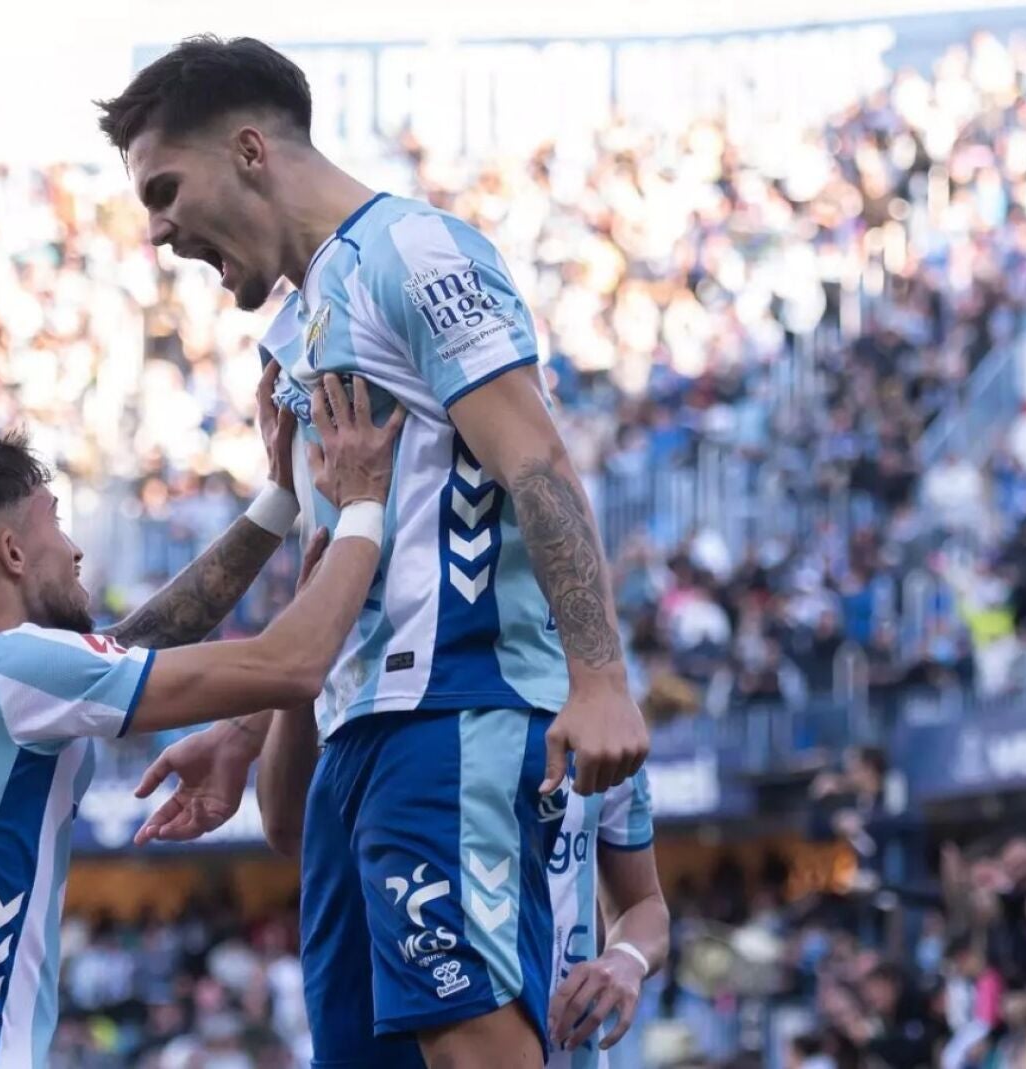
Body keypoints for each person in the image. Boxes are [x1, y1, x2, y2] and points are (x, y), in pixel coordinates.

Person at [97, 34, 650, 1067]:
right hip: (359, 734)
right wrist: (252, 723)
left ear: (250, 150)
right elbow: (341, 566)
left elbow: (535, 461)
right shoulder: (299, 328)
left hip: (452, 713)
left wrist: (602, 676)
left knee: (475, 1049)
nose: (159, 229)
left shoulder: (416, 253)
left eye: (165, 189)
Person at [0, 373, 404, 1068]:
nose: (75, 551)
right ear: (13, 552)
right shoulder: (17, 671)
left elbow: (136, 643)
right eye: (56, 523)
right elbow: (295, 665)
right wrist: (363, 504)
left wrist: (280, 501)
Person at [254, 535, 668, 1069]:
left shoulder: (602, 741)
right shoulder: (392, 704)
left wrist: (627, 958)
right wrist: (307, 649)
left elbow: (644, 905)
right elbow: (286, 828)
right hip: (421, 1035)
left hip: (555, 1043)